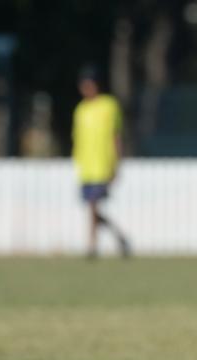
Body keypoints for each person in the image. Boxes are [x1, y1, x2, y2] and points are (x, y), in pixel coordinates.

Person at [72, 65, 131, 260]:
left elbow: (116, 136)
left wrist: (117, 163)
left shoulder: (109, 106)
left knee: (93, 206)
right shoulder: (80, 110)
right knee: (92, 207)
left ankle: (92, 246)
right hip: (86, 168)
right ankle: (119, 237)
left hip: (103, 165)